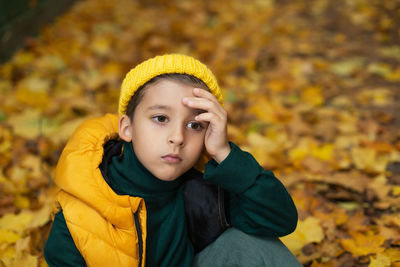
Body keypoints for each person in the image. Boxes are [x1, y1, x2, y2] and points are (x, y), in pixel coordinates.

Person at [44, 54, 301, 267]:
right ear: (127, 128)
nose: (177, 137)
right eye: (160, 119)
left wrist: (224, 153)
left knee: (250, 243)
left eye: (194, 125)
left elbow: (280, 220)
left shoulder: (202, 188)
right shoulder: (78, 217)